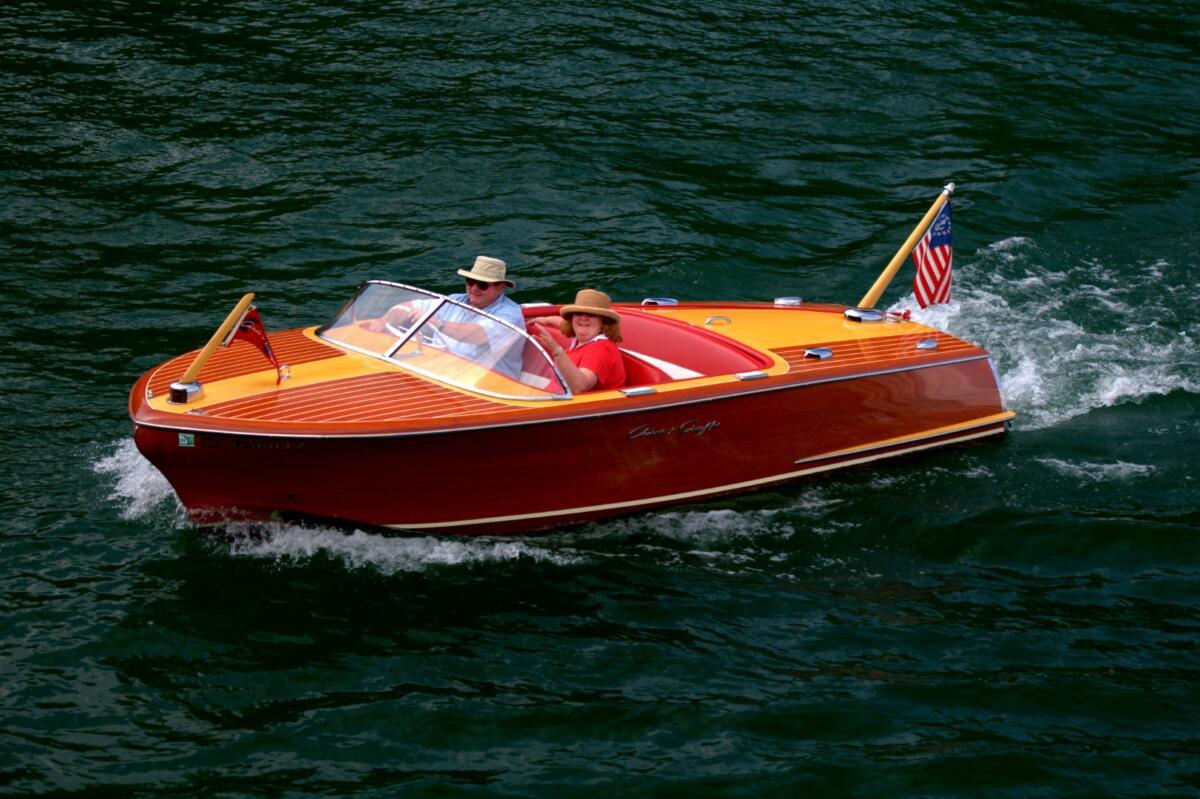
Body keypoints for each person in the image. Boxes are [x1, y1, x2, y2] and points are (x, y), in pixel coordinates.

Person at [370, 255, 526, 378]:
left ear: (500, 288)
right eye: (470, 282)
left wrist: (438, 323)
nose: (474, 289)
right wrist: (385, 319)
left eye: (482, 285)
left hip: (488, 380)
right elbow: (411, 306)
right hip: (444, 371)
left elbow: (478, 335)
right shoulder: (454, 300)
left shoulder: (510, 315)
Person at [527, 289, 626, 393]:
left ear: (604, 322)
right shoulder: (584, 336)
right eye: (578, 313)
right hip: (554, 396)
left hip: (571, 402)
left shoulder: (600, 349)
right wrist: (543, 320)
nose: (583, 318)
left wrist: (556, 351)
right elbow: (561, 322)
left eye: (591, 315)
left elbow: (580, 387)